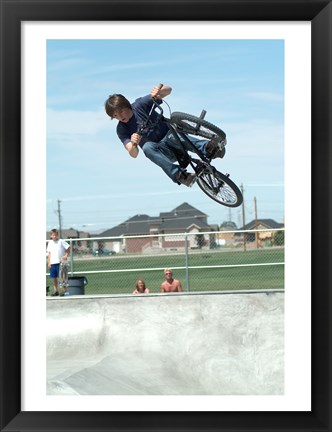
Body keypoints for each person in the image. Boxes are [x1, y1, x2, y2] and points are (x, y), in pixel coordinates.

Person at [104, 84, 225, 187]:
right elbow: (133, 154)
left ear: (127, 105)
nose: (120, 117)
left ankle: (210, 149)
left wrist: (161, 91)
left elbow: (168, 91)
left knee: (171, 135)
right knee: (146, 147)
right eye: (115, 116)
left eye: (120, 112)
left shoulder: (140, 105)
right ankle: (181, 176)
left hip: (175, 139)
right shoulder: (121, 129)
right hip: (163, 152)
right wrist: (134, 145)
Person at [47, 229, 70, 296]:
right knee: (54, 277)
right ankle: (55, 290)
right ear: (51, 235)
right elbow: (49, 253)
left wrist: (66, 255)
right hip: (53, 262)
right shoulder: (50, 243)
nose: (54, 236)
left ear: (57, 235)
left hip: (60, 262)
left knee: (62, 277)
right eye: (53, 235)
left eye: (56, 235)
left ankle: (63, 290)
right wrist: (49, 262)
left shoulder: (61, 241)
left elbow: (68, 247)